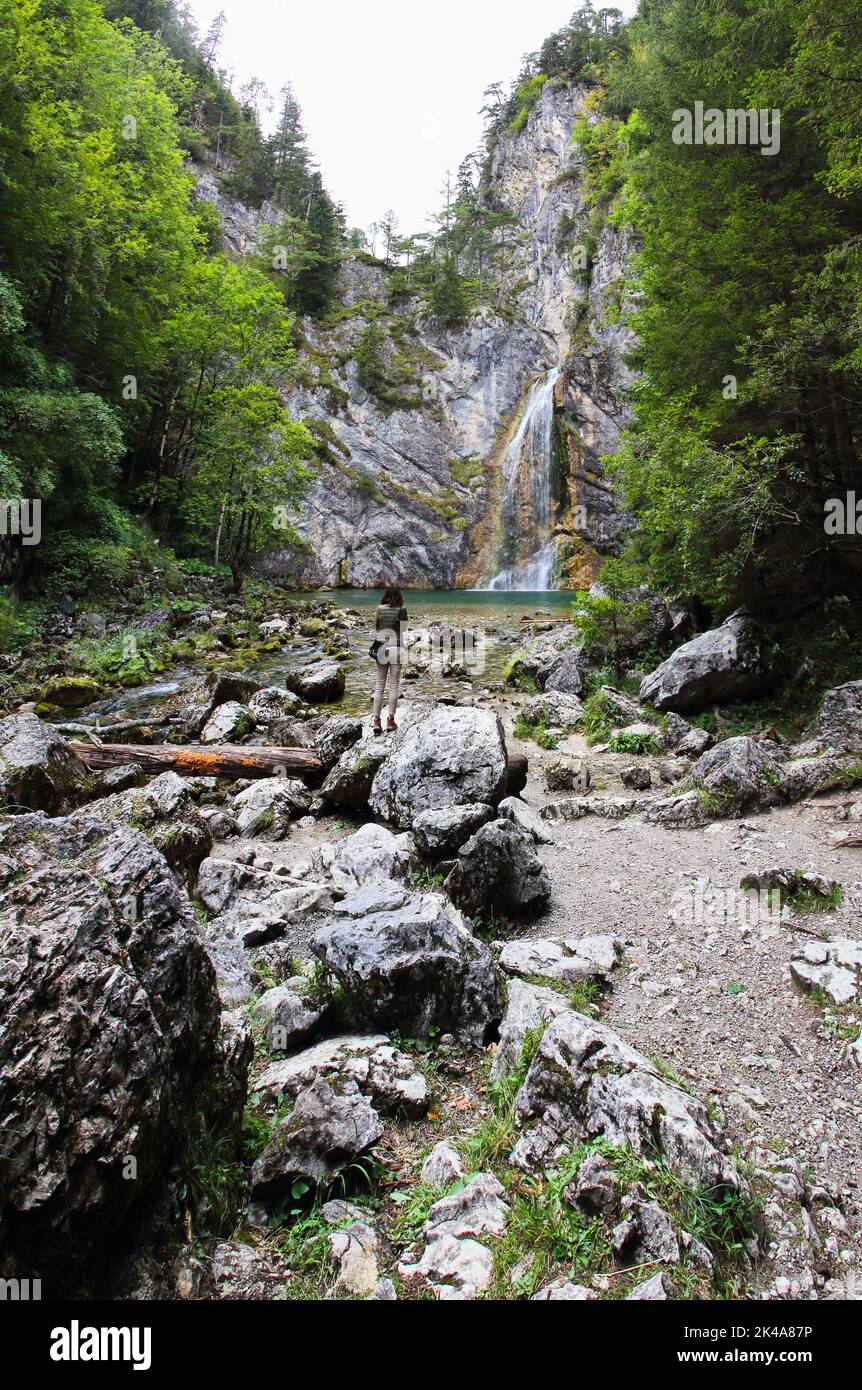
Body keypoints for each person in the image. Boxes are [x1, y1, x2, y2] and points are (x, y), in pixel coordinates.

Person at [372, 585, 407, 735]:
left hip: (381, 649)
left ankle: (376, 721)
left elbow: (377, 627)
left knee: (379, 686)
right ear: (399, 596)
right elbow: (404, 629)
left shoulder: (379, 609)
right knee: (394, 686)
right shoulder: (402, 609)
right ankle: (390, 721)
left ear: (385, 596)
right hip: (397, 648)